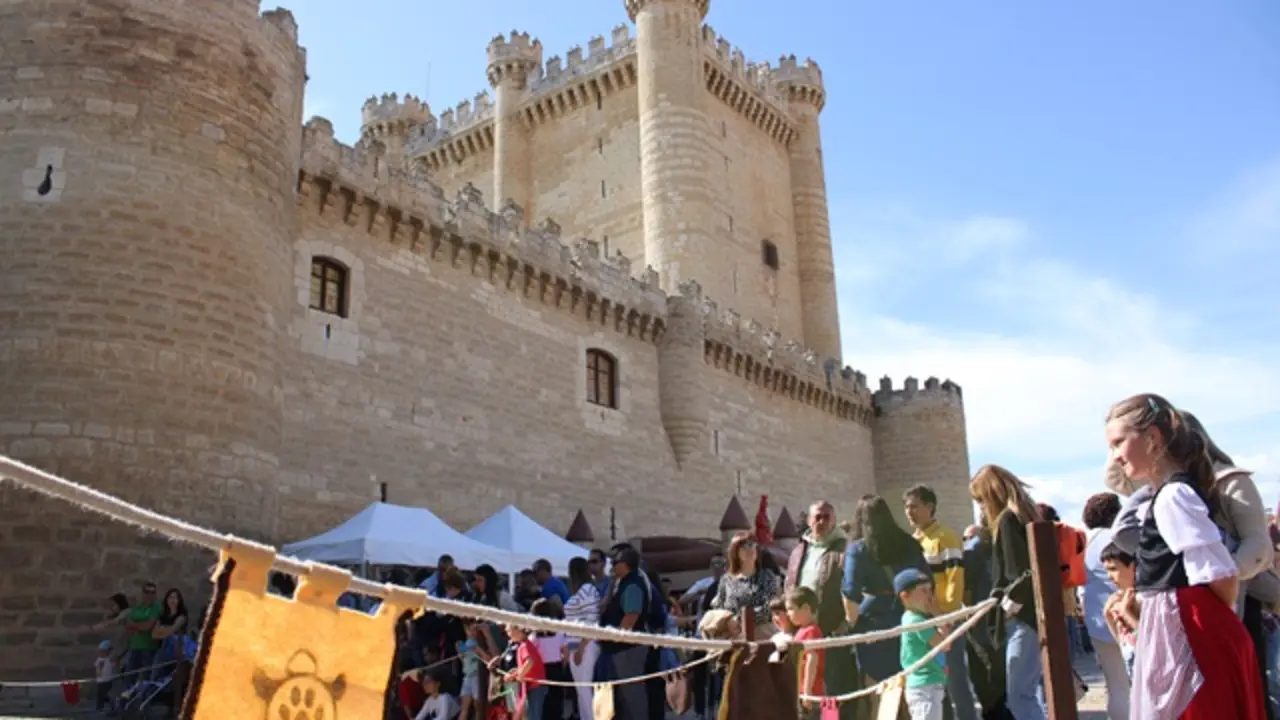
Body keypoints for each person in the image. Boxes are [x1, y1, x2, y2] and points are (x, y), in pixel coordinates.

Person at [1105, 392, 1265, 719]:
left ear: (1152, 438)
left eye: (1119, 442)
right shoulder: (1160, 496)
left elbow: (1220, 576)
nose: (1115, 456)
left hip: (1197, 633)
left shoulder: (1172, 496)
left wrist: (1187, 624)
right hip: (1186, 628)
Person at [969, 465, 1044, 720]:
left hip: (1021, 620)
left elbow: (1019, 572)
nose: (980, 508)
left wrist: (1008, 606)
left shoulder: (1007, 521)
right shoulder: (1025, 515)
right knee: (1024, 693)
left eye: (980, 501)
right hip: (1031, 617)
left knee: (1020, 696)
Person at [904, 484, 977, 720]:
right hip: (922, 623)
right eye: (906, 507)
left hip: (945, 620)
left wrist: (944, 616)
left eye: (914, 506)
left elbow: (955, 579)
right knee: (934, 683)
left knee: (956, 682)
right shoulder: (914, 541)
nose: (909, 512)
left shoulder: (945, 537)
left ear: (930, 507)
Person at [842, 496, 931, 687]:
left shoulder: (857, 549)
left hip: (874, 622)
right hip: (912, 617)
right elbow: (928, 582)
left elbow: (851, 592)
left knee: (878, 688)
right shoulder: (910, 543)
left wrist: (852, 624)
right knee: (913, 681)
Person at [785, 500, 854, 720]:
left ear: (834, 520)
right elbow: (789, 585)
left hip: (831, 630)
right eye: (817, 517)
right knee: (803, 686)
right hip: (802, 632)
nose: (822, 521)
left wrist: (845, 625)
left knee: (830, 691)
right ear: (809, 520)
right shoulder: (799, 550)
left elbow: (851, 588)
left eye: (827, 516)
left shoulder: (844, 549)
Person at [1080, 492, 1130, 720]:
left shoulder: (1083, 542)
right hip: (1128, 616)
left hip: (1097, 620)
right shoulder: (1118, 537)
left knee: (1115, 685)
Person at [598, 547, 650, 720]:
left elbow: (631, 616)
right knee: (621, 698)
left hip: (628, 650)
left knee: (632, 697)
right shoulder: (622, 583)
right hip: (619, 649)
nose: (612, 567)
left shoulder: (633, 585)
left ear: (625, 564)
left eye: (615, 563)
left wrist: (617, 637)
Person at [896, 568, 950, 720]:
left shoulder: (922, 619)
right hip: (923, 686)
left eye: (930, 590)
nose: (930, 596)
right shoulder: (915, 620)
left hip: (933, 682)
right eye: (923, 591)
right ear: (905, 596)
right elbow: (945, 644)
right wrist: (938, 615)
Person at [711, 532, 782, 624]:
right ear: (736, 553)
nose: (750, 549)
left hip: (760, 632)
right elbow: (719, 607)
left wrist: (741, 620)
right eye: (745, 546)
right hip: (731, 632)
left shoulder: (767, 576)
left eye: (753, 545)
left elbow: (769, 607)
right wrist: (729, 622)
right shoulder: (726, 580)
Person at [563, 556, 600, 719]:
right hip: (577, 645)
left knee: (585, 691)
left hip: (585, 646)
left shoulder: (587, 590)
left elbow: (592, 620)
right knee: (581, 692)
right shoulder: (584, 590)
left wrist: (581, 648)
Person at [1099, 544, 1138, 677]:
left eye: (1113, 569)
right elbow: (1124, 645)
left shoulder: (1146, 599)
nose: (1109, 576)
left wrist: (1127, 613)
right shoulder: (1120, 599)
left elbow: (1150, 640)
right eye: (1107, 571)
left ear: (1133, 567)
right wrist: (1108, 617)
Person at [787, 587, 824, 720]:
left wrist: (807, 691)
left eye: (791, 609)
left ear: (805, 608)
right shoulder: (801, 631)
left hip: (810, 693)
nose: (788, 613)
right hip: (799, 690)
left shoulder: (812, 631)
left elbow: (811, 660)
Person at [503, 625, 547, 720]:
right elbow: (524, 666)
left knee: (534, 716)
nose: (508, 634)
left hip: (536, 686)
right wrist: (513, 674)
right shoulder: (523, 645)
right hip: (532, 686)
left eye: (509, 631)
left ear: (518, 630)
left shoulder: (525, 646)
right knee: (529, 714)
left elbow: (530, 662)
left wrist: (521, 675)